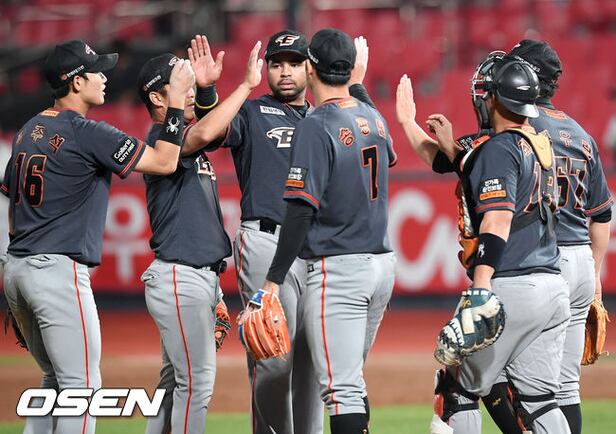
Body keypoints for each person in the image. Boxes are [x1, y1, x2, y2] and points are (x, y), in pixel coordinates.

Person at [1, 39, 194, 434]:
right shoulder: (85, 132)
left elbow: (11, 210)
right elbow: (164, 162)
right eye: (96, 71)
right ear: (75, 81)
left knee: (55, 383)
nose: (105, 78)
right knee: (82, 388)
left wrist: (23, 280)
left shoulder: (28, 130)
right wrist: (176, 103)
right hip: (56, 271)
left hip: (17, 268)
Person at [198, 29, 377, 434]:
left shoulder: (327, 116)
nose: (284, 72)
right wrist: (209, 90)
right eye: (276, 63)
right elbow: (211, 132)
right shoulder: (253, 111)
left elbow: (374, 144)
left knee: (313, 358)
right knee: (272, 352)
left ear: (309, 69)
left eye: (294, 63)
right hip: (265, 239)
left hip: (316, 247)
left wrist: (356, 84)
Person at [398, 56, 571, 434]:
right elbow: (475, 165)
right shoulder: (536, 142)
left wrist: (481, 286)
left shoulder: (498, 148)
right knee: (539, 400)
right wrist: (417, 128)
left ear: (494, 98)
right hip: (551, 284)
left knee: (456, 390)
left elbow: (497, 219)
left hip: (512, 283)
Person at [251, 28, 397, 434]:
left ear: (311, 68)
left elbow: (300, 212)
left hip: (341, 269)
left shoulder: (316, 124)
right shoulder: (373, 114)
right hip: (382, 266)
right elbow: (390, 155)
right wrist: (359, 86)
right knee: (350, 377)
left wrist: (272, 281)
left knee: (341, 388)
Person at [137, 37, 264, 434]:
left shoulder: (177, 141)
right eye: (182, 85)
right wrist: (245, 85)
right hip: (180, 276)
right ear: (158, 98)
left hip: (194, 278)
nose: (189, 92)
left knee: (174, 383)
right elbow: (208, 129)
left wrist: (213, 291)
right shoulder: (162, 140)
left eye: (191, 86)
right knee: (197, 384)